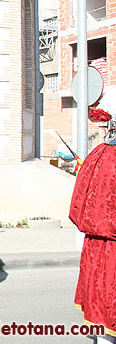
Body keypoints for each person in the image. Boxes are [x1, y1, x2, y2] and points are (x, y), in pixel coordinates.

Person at [69, 119, 116, 344]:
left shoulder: (97, 155)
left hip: (96, 245)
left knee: (100, 304)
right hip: (110, 247)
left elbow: (78, 203)